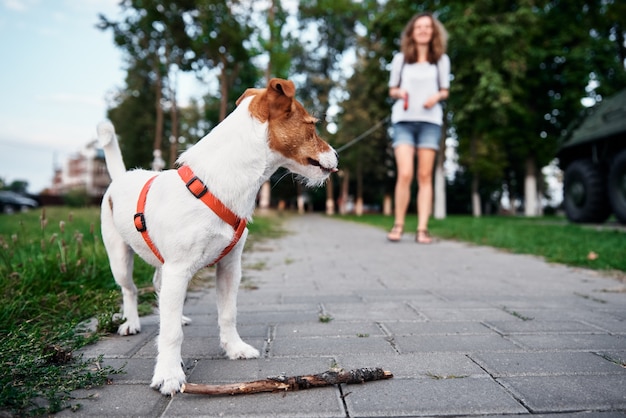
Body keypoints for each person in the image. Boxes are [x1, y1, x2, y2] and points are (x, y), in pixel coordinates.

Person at [386, 12, 450, 244]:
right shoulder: (400, 59)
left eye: (428, 27)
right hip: (403, 121)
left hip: (430, 122)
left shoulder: (441, 60)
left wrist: (435, 98)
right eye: (419, 26)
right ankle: (398, 225)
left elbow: (445, 90)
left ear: (433, 32)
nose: (423, 30)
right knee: (405, 174)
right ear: (412, 32)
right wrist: (399, 92)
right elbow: (392, 89)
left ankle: (422, 229)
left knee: (425, 176)